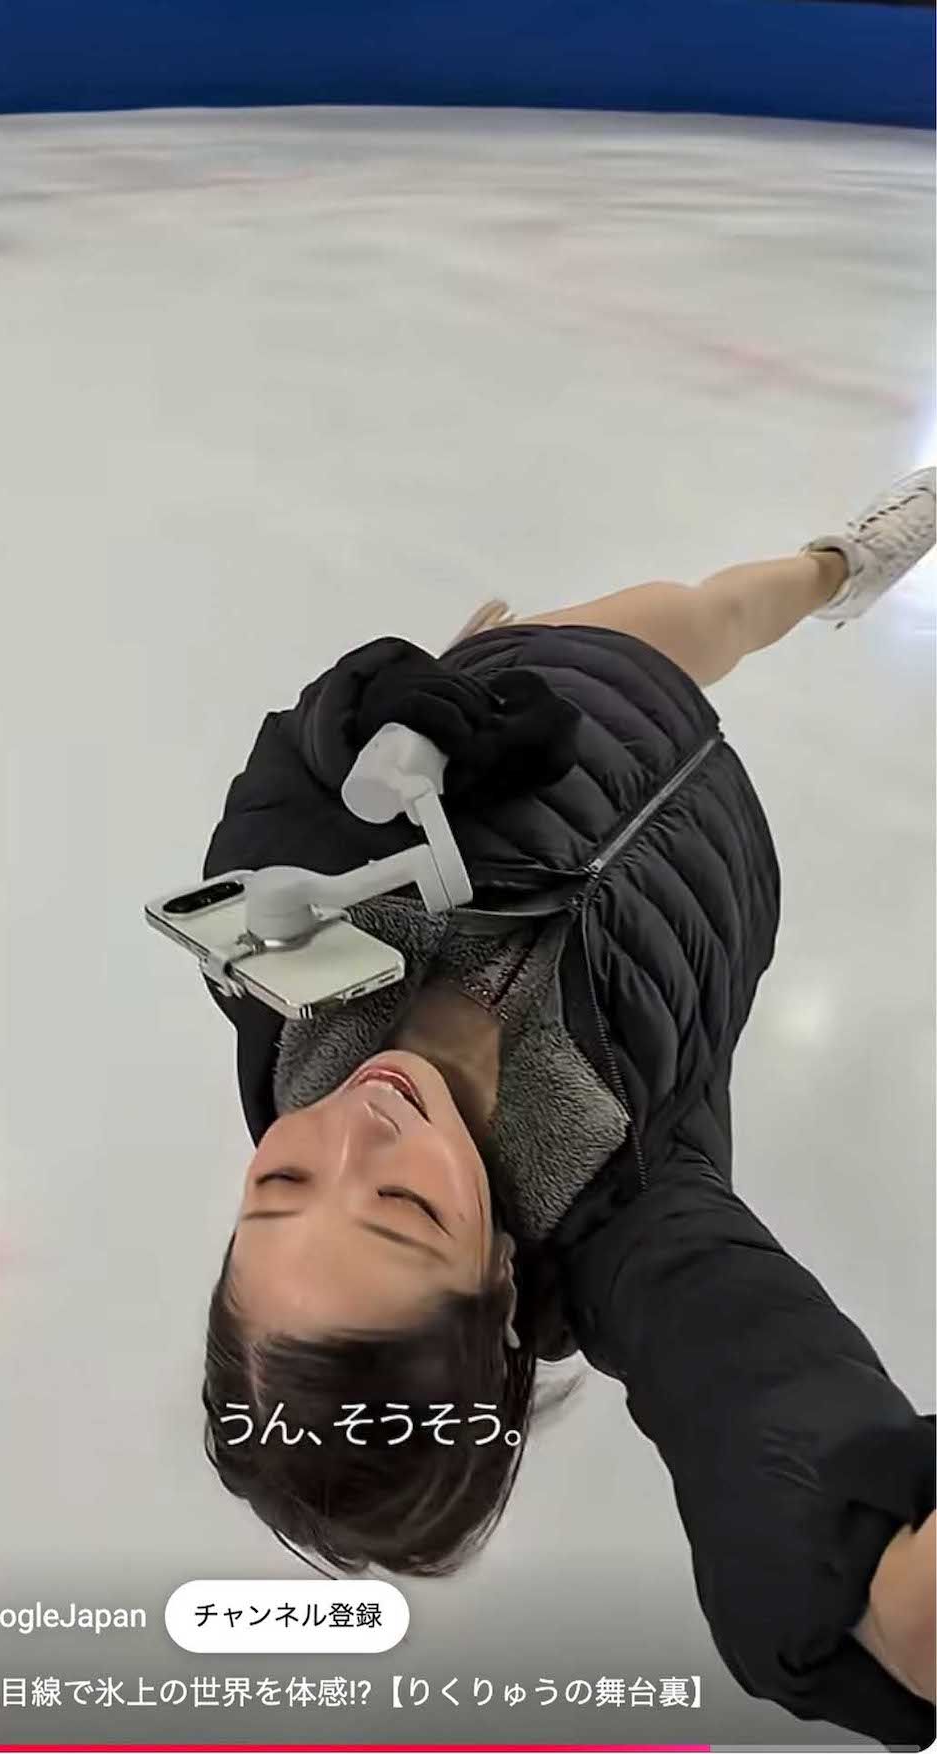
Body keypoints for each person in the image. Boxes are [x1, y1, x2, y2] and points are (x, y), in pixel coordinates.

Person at [198, 468, 936, 1745]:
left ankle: (838, 566)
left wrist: (367, 710)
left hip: (558, 700)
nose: (355, 1129)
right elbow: (747, 1383)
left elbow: (281, 784)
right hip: (703, 860)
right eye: (403, 1207)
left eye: (281, 1181)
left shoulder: (279, 997)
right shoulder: (623, 1213)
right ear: (496, 1277)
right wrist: (870, 1593)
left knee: (725, 608)